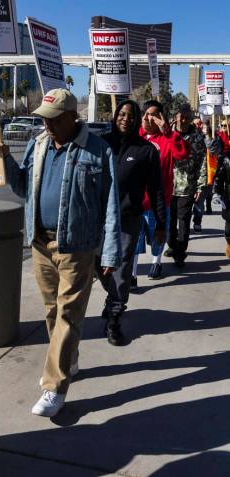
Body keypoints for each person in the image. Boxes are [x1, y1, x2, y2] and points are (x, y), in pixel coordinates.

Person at [0, 89, 121, 417]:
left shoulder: (99, 151)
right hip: (40, 244)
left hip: (78, 247)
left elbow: (111, 205)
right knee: (52, 311)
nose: (46, 124)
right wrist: (3, 159)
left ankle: (54, 385)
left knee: (67, 315)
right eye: (44, 118)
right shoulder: (39, 144)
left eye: (53, 118)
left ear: (71, 116)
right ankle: (69, 357)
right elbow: (22, 187)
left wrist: (109, 253)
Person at [98, 100, 166, 345]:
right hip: (99, 220)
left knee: (122, 270)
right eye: (122, 114)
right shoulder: (102, 143)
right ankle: (112, 299)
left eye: (131, 115)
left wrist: (160, 223)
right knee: (99, 267)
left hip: (128, 220)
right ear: (115, 116)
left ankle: (114, 318)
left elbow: (156, 188)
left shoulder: (146, 150)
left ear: (138, 120)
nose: (125, 119)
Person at [133, 100, 189, 281]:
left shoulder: (168, 138)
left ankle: (156, 262)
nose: (150, 119)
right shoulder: (135, 136)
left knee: (157, 235)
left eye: (155, 115)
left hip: (158, 202)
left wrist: (169, 132)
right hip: (135, 202)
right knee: (134, 239)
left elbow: (182, 154)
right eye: (147, 114)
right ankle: (131, 272)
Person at [166, 104, 207, 266]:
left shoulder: (197, 137)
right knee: (169, 220)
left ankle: (180, 252)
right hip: (167, 185)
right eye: (181, 116)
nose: (184, 120)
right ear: (176, 116)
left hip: (187, 186)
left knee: (183, 220)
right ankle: (171, 245)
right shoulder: (167, 133)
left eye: (188, 117)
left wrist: (200, 186)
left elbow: (202, 162)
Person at [192, 122, 222, 231]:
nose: (201, 128)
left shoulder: (214, 141)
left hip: (205, 175)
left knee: (199, 201)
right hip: (192, 175)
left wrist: (211, 137)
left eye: (203, 127)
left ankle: (197, 222)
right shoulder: (195, 139)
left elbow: (215, 150)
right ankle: (184, 226)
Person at [213, 146, 230, 257]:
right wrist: (217, 192)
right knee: (229, 223)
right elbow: (219, 176)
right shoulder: (226, 157)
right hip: (229, 195)